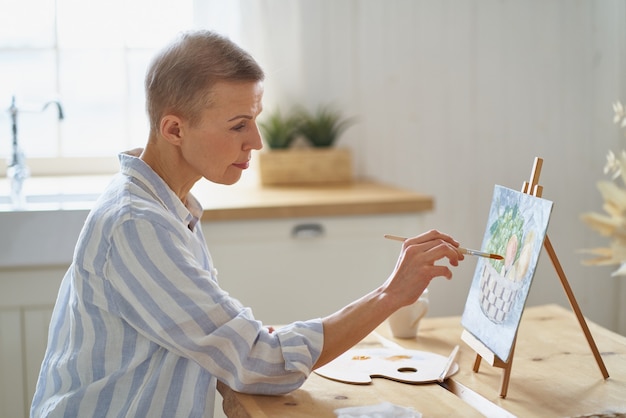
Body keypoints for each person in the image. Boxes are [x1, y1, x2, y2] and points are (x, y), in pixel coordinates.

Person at [30, 30, 464, 417]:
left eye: (254, 119)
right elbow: (259, 364)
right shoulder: (137, 225)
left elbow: (226, 339)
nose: (256, 141)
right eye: (239, 125)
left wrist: (253, 340)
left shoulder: (167, 205)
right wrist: (390, 294)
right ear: (174, 129)